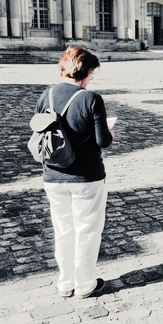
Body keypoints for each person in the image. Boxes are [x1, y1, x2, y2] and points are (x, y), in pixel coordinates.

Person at [35, 47, 113, 299]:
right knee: (87, 231)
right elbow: (103, 142)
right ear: (87, 72)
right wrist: (109, 131)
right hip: (86, 177)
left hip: (53, 175)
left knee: (63, 231)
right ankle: (85, 284)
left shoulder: (45, 96)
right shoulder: (91, 99)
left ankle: (65, 283)